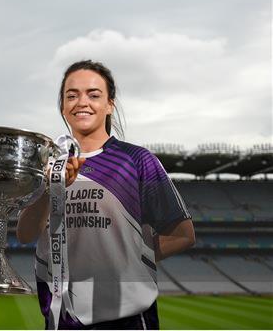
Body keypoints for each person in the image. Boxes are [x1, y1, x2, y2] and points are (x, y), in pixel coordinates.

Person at [17, 60, 195, 329]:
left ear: (109, 104)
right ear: (63, 106)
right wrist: (50, 187)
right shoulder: (45, 164)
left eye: (94, 94)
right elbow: (25, 235)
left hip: (128, 318)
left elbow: (183, 234)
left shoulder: (137, 160)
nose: (82, 102)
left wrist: (129, 262)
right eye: (72, 95)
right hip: (62, 317)